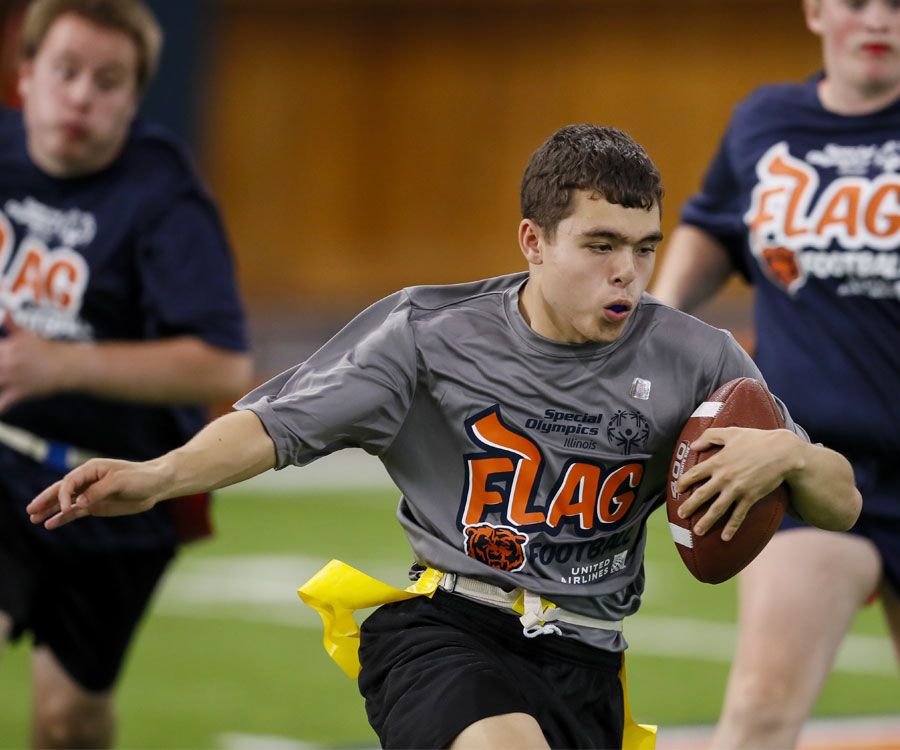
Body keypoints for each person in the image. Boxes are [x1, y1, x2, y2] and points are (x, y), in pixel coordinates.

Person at [28, 123, 860, 750]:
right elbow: (276, 425)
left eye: (643, 249)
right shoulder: (427, 331)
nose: (627, 275)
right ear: (532, 242)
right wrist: (156, 475)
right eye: (599, 246)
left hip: (589, 659)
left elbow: (841, 503)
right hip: (447, 629)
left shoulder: (698, 356)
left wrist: (791, 453)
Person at [0, 1, 251, 747]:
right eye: (66, 71)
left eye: (108, 81)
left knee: (68, 720)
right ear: (26, 75)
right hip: (4, 457)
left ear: (135, 99)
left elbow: (222, 361)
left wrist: (62, 362)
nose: (81, 96)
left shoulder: (164, 197)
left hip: (109, 490)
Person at [649, 1, 900, 747]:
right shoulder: (766, 121)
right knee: (760, 712)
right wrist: (654, 318)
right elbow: (714, 222)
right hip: (805, 461)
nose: (878, 20)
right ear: (817, 10)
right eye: (857, 2)